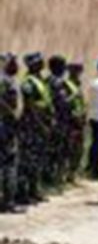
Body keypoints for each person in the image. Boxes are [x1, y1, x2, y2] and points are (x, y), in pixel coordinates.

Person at [19, 53, 52, 203]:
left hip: (40, 125)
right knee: (28, 160)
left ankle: (34, 191)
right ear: (32, 64)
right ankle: (23, 194)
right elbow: (30, 107)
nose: (42, 64)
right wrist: (41, 125)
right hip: (31, 126)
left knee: (38, 159)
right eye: (39, 62)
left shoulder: (40, 81)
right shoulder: (28, 82)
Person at [0, 54, 24, 213]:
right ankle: (8, 202)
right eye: (12, 62)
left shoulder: (9, 80)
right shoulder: (4, 80)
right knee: (10, 163)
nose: (16, 65)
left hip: (8, 125)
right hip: (5, 126)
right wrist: (12, 114)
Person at [47, 55, 72, 188]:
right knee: (58, 150)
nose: (65, 68)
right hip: (59, 120)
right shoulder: (58, 82)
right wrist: (73, 96)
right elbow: (63, 102)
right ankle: (55, 180)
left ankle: (52, 178)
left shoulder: (47, 80)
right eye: (63, 66)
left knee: (53, 150)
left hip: (53, 119)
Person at [65, 62, 87, 183]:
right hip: (71, 122)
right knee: (71, 149)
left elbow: (80, 102)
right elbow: (66, 104)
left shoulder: (77, 85)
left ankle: (72, 173)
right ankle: (67, 173)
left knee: (79, 149)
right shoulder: (67, 85)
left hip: (79, 122)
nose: (79, 74)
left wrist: (83, 115)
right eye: (77, 71)